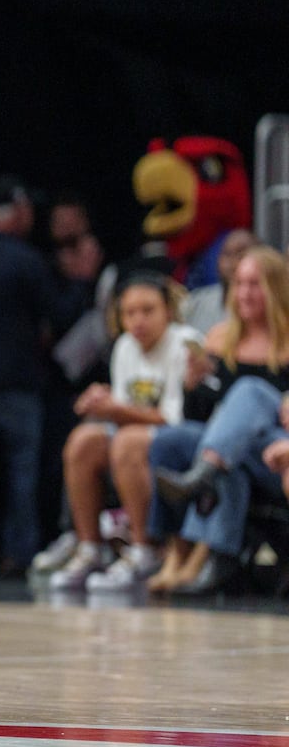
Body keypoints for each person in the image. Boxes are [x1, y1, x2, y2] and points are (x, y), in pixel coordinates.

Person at [0, 175, 90, 579]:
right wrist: (80, 280)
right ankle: (18, 553)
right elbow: (61, 314)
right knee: (21, 478)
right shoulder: (27, 261)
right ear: (20, 212)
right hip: (19, 387)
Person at [45, 273, 200, 590]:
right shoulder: (125, 346)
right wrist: (103, 403)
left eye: (147, 310)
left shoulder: (185, 343)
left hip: (183, 438)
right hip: (136, 434)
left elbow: (173, 417)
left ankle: (145, 549)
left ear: (167, 311)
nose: (137, 321)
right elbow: (124, 411)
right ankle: (91, 547)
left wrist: (115, 410)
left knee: (127, 442)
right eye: (129, 313)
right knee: (83, 441)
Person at [149, 246, 289, 593]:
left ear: (276, 288)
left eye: (255, 284)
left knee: (251, 392)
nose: (244, 293)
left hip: (276, 452)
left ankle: (204, 477)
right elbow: (202, 414)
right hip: (231, 447)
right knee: (171, 440)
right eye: (239, 283)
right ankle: (179, 554)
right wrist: (193, 386)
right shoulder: (219, 338)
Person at [182, 228, 257, 334]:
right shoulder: (197, 302)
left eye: (241, 254)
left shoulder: (268, 307)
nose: (232, 262)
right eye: (227, 254)